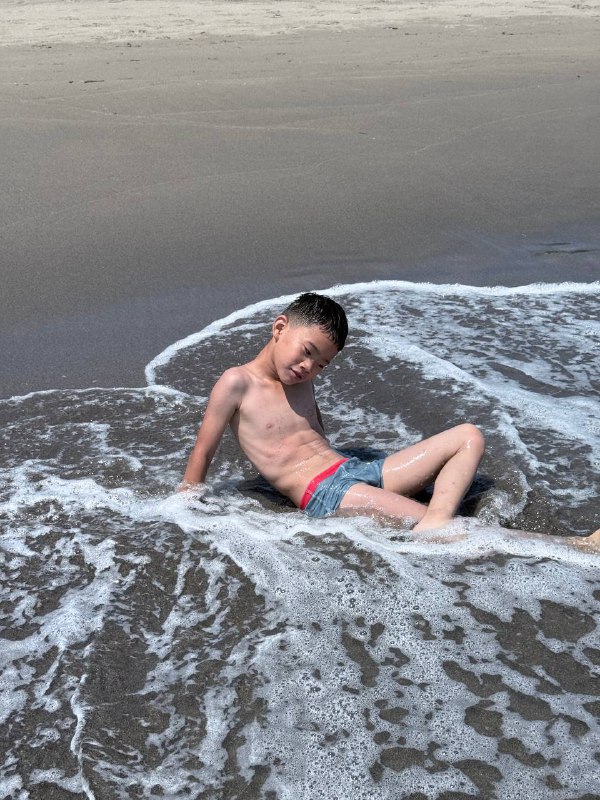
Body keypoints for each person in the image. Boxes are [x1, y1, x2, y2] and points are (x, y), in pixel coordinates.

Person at [180, 292, 599, 547]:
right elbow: (203, 451)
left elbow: (315, 436)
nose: (309, 367)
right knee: (443, 524)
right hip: (323, 492)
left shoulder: (302, 382)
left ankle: (435, 521)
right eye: (307, 352)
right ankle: (572, 547)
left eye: (322, 364)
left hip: (351, 470)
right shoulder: (237, 382)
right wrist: (186, 506)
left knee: (469, 435)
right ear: (279, 328)